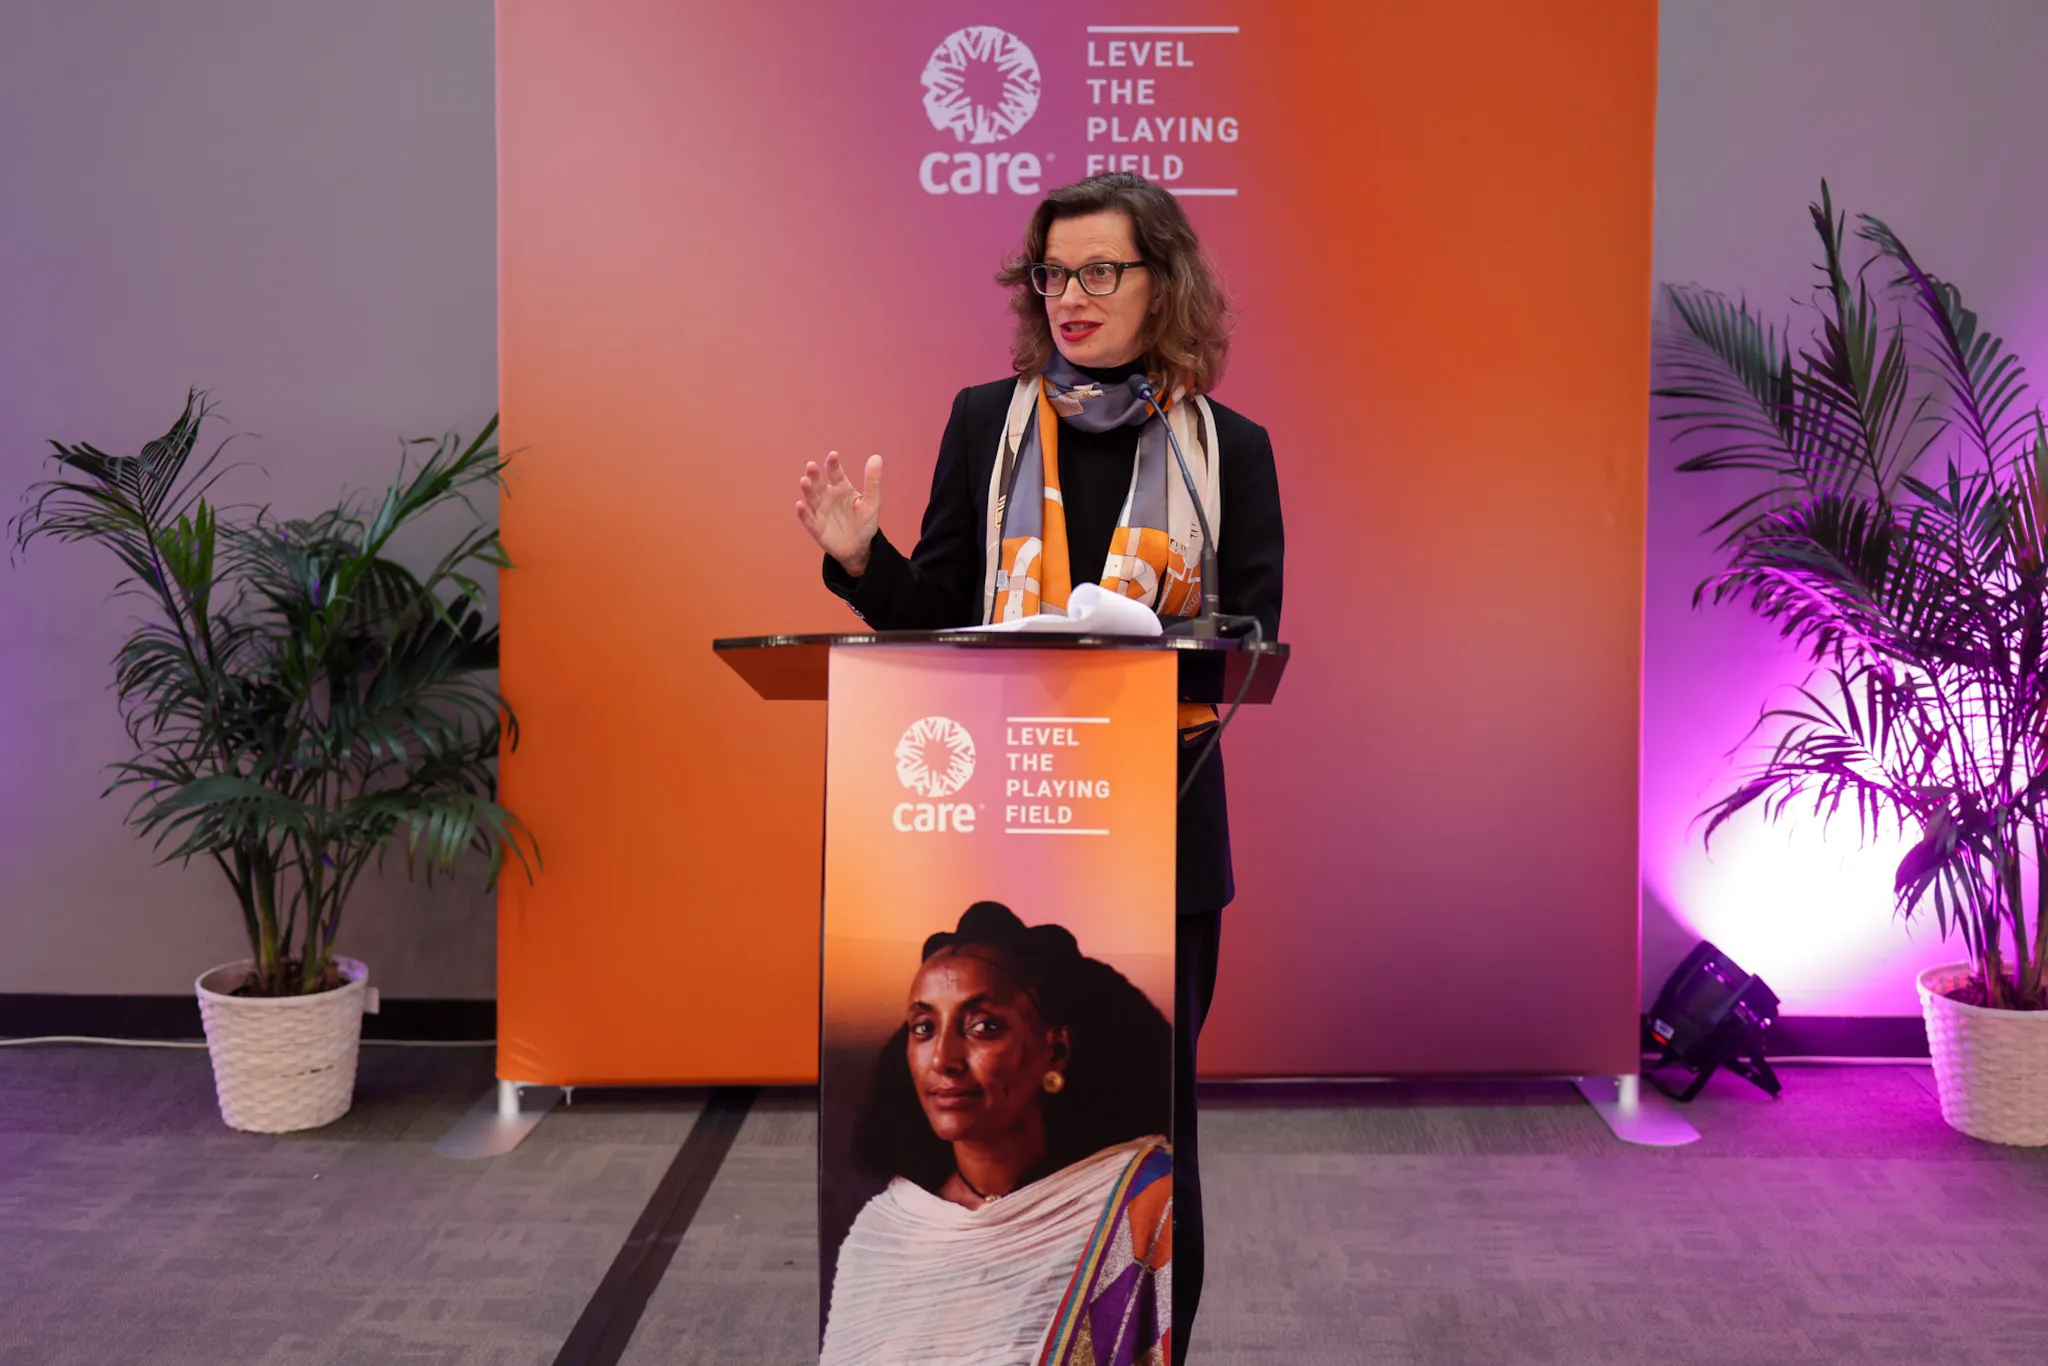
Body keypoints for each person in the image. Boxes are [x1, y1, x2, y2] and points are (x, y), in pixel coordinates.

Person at [795, 171, 1284, 1364]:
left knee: (1150, 1133)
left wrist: (1142, 644)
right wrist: (861, 560)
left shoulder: (1229, 451)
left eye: (1098, 271)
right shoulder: (987, 423)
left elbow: (1253, 639)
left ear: (1161, 283)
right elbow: (931, 611)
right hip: (994, 829)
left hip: (1158, 839)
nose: (1070, 295)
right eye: (1052, 273)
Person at [821, 902, 1174, 1366]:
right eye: (924, 1028)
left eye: (983, 1026)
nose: (942, 1059)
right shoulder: (886, 1232)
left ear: (1056, 1050)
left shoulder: (1143, 1201)